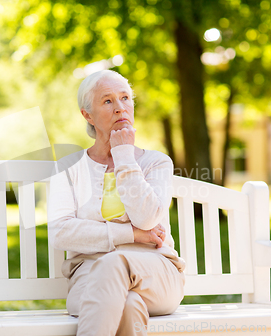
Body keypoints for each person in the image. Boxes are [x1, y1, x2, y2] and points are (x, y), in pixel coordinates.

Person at [47, 69, 186, 336]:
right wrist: (131, 234)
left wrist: (123, 154)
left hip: (155, 273)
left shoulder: (156, 162)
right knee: (129, 305)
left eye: (125, 98)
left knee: (114, 263)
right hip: (90, 278)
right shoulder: (68, 168)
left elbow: (147, 218)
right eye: (108, 101)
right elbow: (60, 232)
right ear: (87, 114)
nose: (120, 108)